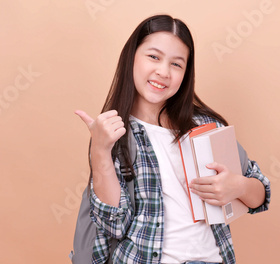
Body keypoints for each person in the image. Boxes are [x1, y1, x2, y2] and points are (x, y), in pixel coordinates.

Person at [75, 14, 270, 264]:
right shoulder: (113, 133)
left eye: (177, 64)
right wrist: (100, 151)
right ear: (131, 57)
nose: (164, 72)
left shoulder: (205, 127)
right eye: (154, 57)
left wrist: (238, 187)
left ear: (186, 73)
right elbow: (114, 224)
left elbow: (261, 193)